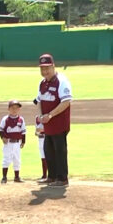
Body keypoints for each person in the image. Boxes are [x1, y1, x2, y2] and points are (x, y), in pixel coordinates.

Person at [37, 53, 73, 187]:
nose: (44, 71)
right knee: (48, 151)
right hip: (48, 125)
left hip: (59, 124)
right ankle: (51, 176)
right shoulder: (42, 83)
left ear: (53, 66)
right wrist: (41, 117)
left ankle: (62, 178)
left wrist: (50, 115)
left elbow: (66, 102)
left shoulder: (62, 81)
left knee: (60, 151)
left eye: (47, 68)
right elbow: (39, 101)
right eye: (42, 68)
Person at [0, 100, 26, 184]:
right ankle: (4, 177)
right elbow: (0, 129)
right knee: (6, 159)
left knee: (17, 159)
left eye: (17, 108)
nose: (15, 110)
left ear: (19, 109)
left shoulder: (21, 119)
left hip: (17, 143)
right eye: (12, 108)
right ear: (8, 109)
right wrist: (2, 137)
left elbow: (23, 132)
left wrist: (23, 142)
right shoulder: (5, 119)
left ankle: (17, 177)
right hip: (8, 143)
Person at [34, 112, 48, 182]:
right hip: (40, 139)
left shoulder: (48, 116)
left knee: (49, 156)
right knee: (42, 157)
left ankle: (52, 175)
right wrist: (36, 132)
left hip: (47, 138)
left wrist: (43, 130)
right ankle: (44, 175)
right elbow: (36, 130)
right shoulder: (37, 117)